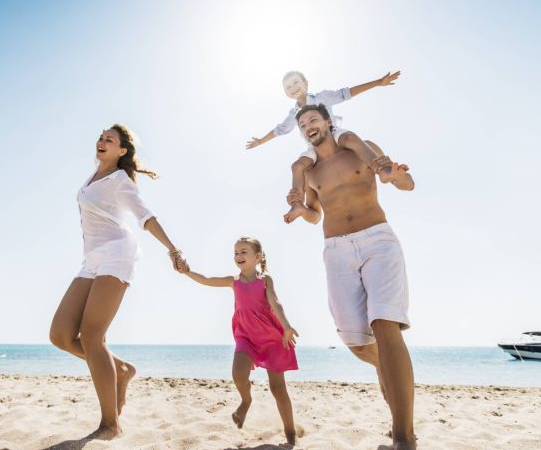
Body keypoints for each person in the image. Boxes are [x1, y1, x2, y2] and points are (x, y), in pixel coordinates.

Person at [289, 104, 417, 450]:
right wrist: (303, 210)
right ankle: (390, 365)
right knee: (358, 343)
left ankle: (404, 438)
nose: (308, 126)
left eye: (314, 119)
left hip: (377, 240)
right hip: (337, 251)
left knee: (384, 324)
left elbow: (405, 183)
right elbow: (316, 214)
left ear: (328, 122)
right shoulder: (311, 172)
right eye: (303, 124)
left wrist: (395, 175)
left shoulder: (359, 146)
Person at [49, 124, 183, 440]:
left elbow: (145, 217)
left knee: (93, 336)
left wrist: (173, 248)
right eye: (101, 136)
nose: (102, 140)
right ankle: (121, 370)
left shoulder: (120, 180)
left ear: (122, 151)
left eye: (110, 139)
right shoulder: (92, 178)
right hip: (92, 260)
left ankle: (110, 425)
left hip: (116, 253)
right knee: (61, 334)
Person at [177, 237, 299, 445]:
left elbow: (276, 303)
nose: (238, 256)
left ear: (257, 256)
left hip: (271, 337)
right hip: (246, 336)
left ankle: (290, 434)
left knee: (278, 388)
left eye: (244, 252)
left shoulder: (265, 280)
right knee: (238, 374)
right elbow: (207, 279)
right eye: (235, 253)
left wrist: (286, 326)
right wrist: (187, 271)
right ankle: (246, 400)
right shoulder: (233, 281)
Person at [245, 70, 401, 223]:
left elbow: (346, 93)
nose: (293, 88)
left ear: (305, 83)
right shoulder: (293, 114)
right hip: (314, 146)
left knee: (352, 139)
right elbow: (280, 130)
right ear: (286, 93)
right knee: (297, 166)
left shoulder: (321, 97)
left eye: (296, 82)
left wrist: (378, 83)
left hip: (333, 135)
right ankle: (297, 205)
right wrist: (260, 141)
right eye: (288, 87)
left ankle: (383, 170)